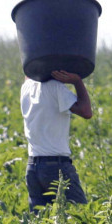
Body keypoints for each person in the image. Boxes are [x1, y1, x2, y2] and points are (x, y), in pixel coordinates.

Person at [20, 70, 93, 209]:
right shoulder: (55, 87)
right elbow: (86, 111)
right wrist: (77, 81)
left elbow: (29, 71)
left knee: (40, 223)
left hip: (32, 168)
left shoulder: (26, 87)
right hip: (56, 166)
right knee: (82, 217)